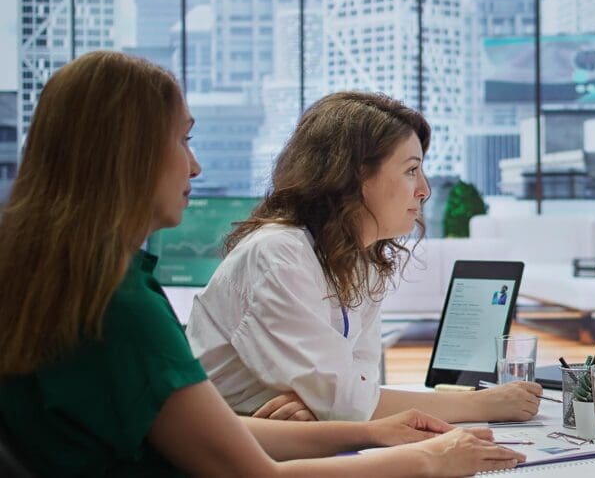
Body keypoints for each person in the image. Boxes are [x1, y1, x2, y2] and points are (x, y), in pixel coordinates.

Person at [0, 51, 525, 476]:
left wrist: (364, 429)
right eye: (183, 140)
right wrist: (428, 459)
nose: (196, 164)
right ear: (126, 154)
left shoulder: (93, 286)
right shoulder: (120, 305)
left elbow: (340, 400)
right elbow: (264, 468)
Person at [186, 91, 542, 423]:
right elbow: (349, 401)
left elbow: (356, 388)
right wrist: (482, 405)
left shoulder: (360, 262)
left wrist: (324, 405)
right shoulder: (278, 254)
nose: (424, 189)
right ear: (354, 176)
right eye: (410, 170)